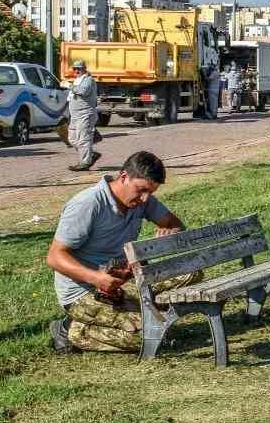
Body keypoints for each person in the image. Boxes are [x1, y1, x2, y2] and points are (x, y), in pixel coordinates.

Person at [45, 151, 193, 354]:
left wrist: (170, 232)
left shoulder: (143, 200)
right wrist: (96, 278)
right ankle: (70, 330)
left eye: (151, 192)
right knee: (151, 337)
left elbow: (176, 224)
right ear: (124, 177)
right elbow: (54, 256)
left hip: (123, 281)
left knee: (190, 273)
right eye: (141, 190)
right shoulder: (88, 204)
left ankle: (142, 310)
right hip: (85, 291)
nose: (145, 198)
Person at [65, 59, 100, 172]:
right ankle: (90, 154)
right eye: (75, 68)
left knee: (83, 139)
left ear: (84, 69)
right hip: (75, 115)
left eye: (79, 68)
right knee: (72, 138)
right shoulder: (77, 80)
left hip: (85, 114)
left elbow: (83, 91)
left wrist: (69, 86)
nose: (76, 70)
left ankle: (85, 162)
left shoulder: (88, 80)